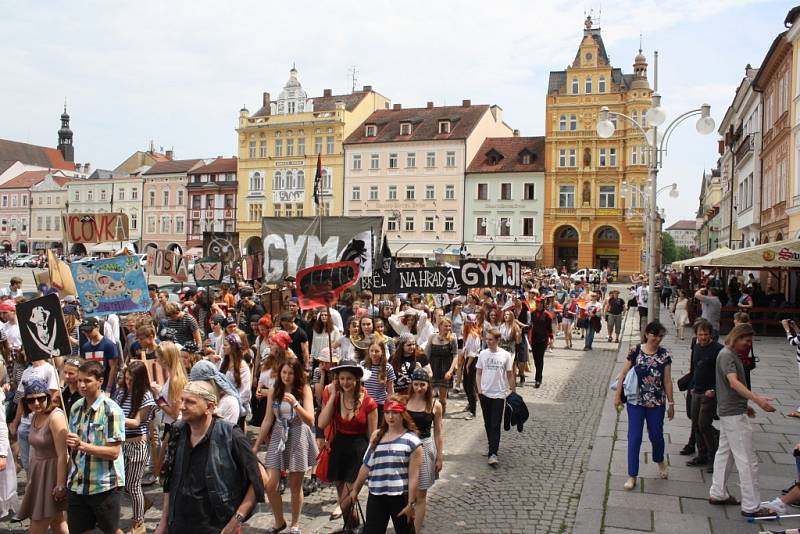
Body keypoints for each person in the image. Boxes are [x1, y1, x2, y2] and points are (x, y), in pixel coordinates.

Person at [154, 381, 265, 534]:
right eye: (182, 400)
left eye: (190, 402)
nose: (182, 407)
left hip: (215, 527)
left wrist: (236, 521)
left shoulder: (230, 435)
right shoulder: (177, 431)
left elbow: (259, 479)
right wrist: (164, 522)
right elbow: (169, 481)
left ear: (210, 407)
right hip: (179, 525)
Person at [708, 323, 777, 518]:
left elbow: (727, 387)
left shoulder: (726, 354)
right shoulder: (728, 356)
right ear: (737, 338)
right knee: (747, 460)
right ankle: (751, 505)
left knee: (725, 454)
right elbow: (733, 382)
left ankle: (718, 492)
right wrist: (757, 400)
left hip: (730, 411)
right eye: (746, 340)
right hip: (734, 416)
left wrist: (745, 404)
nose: (748, 344)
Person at [253, 358, 317, 534]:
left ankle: (295, 524)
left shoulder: (303, 390)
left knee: (294, 485)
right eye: (284, 373)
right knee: (271, 485)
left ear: (296, 374)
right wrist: (257, 445)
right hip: (279, 433)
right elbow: (268, 419)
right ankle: (279, 521)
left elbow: (310, 420)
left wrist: (296, 405)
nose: (287, 376)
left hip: (298, 433)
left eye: (290, 373)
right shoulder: (274, 390)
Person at [342, 396, 422, 534]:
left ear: (402, 414)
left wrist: (411, 503)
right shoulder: (377, 436)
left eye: (395, 413)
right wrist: (355, 490)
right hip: (376, 496)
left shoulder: (412, 441)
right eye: (387, 412)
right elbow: (366, 465)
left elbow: (414, 476)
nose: (390, 416)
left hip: (400, 497)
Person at [65, 360, 126, 534]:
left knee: (111, 530)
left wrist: (82, 445)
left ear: (100, 381)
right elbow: (72, 448)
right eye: (80, 381)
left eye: (87, 381)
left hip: (104, 484)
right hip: (77, 483)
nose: (82, 385)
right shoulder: (76, 407)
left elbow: (114, 452)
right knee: (80, 530)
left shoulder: (111, 410)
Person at [613, 321, 674, 491]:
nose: (657, 339)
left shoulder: (664, 355)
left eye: (660, 336)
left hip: (657, 403)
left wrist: (671, 403)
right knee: (634, 438)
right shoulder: (635, 350)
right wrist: (617, 395)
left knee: (656, 436)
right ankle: (632, 475)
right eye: (654, 335)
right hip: (636, 402)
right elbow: (623, 373)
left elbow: (667, 381)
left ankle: (659, 460)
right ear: (647, 334)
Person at [318, 359, 378, 529]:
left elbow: (373, 435)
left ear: (357, 379)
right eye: (342, 378)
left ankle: (354, 526)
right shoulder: (336, 399)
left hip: (359, 451)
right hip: (339, 448)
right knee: (343, 497)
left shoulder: (369, 403)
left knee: (346, 500)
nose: (345, 382)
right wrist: (333, 397)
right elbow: (322, 423)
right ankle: (352, 527)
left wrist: (371, 460)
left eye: (349, 379)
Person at [17, 377, 67, 533]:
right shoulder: (35, 415)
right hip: (39, 472)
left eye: (40, 398)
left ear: (47, 396)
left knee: (37, 526)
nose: (36, 403)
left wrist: (60, 485)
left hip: (52, 474)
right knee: (58, 522)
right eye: (31, 400)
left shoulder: (56, 417)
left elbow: (63, 454)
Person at [114, 361, 156, 534]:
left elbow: (136, 422)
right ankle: (143, 503)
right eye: (127, 378)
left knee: (133, 486)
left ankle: (138, 523)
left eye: (132, 380)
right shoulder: (121, 392)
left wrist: (112, 416)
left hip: (137, 444)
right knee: (123, 485)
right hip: (121, 443)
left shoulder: (146, 396)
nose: (128, 382)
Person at [406, 369, 443, 534]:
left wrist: (439, 457)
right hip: (406, 448)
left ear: (428, 385)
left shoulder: (435, 405)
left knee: (421, 495)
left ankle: (416, 530)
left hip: (425, 447)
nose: (419, 388)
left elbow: (439, 432)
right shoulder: (404, 401)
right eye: (416, 384)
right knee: (406, 493)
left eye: (422, 385)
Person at [10, 355, 60, 471]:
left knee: (35, 463)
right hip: (25, 422)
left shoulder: (49, 369)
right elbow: (22, 400)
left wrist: (44, 419)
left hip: (39, 424)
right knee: (27, 465)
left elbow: (54, 397)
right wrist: (15, 423)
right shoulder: (26, 371)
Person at [685, 319, 722, 473]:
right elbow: (695, 368)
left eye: (706, 334)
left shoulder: (718, 349)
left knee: (704, 425)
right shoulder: (697, 347)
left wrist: (713, 390)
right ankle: (702, 455)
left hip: (709, 393)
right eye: (700, 334)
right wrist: (691, 387)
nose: (703, 337)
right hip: (696, 391)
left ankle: (714, 458)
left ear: (710, 334)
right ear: (696, 335)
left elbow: (722, 374)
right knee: (695, 424)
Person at [476, 328, 515, 467]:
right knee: (487, 423)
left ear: (498, 340)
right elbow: (479, 373)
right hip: (485, 393)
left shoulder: (505, 355)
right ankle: (491, 445)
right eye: (487, 340)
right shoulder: (483, 354)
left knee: (495, 423)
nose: (488, 342)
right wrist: (479, 390)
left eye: (491, 340)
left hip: (499, 394)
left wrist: (512, 390)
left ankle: (493, 453)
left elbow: (510, 374)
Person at [424, 318, 458, 416]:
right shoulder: (432, 337)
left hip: (445, 369)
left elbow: (455, 355)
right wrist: (425, 368)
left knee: (442, 398)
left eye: (449, 326)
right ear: (440, 326)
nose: (448, 328)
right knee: (429, 395)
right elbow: (426, 354)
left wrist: (450, 371)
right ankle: (428, 415)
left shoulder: (452, 339)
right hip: (433, 368)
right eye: (446, 326)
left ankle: (441, 417)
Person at [79, 317, 121, 396]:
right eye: (85, 331)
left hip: (105, 386)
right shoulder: (85, 347)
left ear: (97, 327)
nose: (87, 333)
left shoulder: (109, 345)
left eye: (89, 331)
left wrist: (108, 389)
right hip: (91, 387)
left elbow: (113, 368)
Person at [221, 333, 252, 429]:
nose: (223, 347)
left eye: (225, 345)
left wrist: (234, 402)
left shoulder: (242, 366)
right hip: (223, 404)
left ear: (233, 347)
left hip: (237, 406)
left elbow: (245, 391)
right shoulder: (224, 363)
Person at [529, 297, 553, 388]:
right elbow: (530, 325)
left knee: (540, 359)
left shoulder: (547, 315)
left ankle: (538, 379)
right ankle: (539, 375)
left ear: (543, 304)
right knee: (535, 359)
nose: (538, 305)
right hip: (534, 339)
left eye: (540, 303)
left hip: (543, 339)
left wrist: (551, 339)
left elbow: (549, 328)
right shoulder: (533, 313)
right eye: (537, 303)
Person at [462, 315, 482, 420]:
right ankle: (470, 404)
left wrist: (468, 365)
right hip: (469, 360)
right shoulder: (469, 334)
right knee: (466, 385)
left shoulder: (473, 335)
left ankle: (472, 410)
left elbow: (473, 352)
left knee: (469, 386)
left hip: (472, 361)